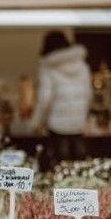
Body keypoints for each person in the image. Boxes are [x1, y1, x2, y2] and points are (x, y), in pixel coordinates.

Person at [28, 30, 93, 169]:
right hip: (78, 123)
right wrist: (84, 116)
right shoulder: (82, 66)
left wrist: (36, 123)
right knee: (78, 166)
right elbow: (88, 95)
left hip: (57, 125)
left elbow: (45, 98)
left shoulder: (48, 67)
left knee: (58, 166)